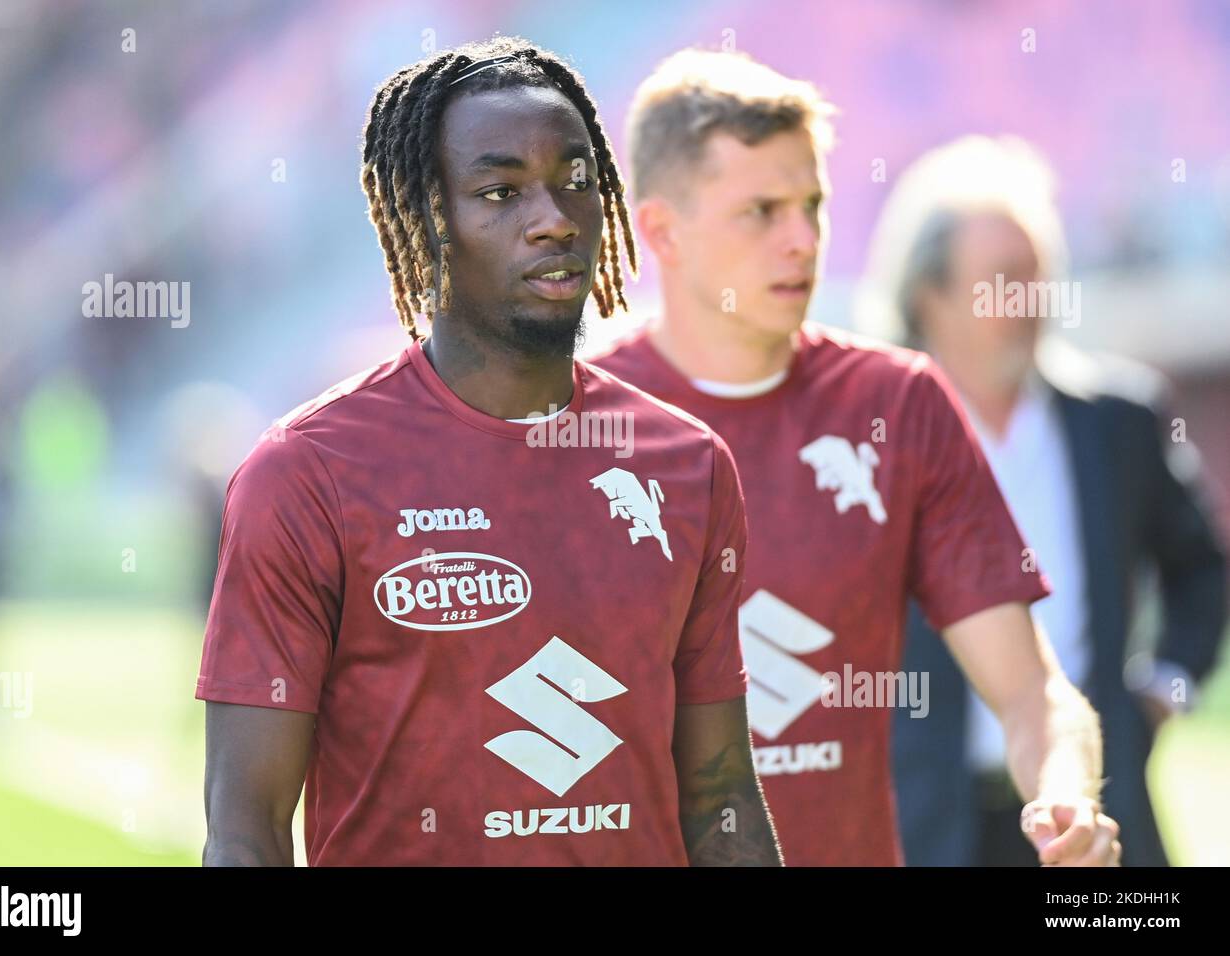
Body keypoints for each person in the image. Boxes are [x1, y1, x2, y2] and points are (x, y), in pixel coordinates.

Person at [196, 37, 781, 866]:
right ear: (428, 218)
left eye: (575, 180)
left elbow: (721, 798)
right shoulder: (305, 475)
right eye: (500, 191)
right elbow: (246, 831)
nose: (552, 218)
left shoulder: (686, 465)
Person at [591, 48, 1119, 865]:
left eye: (813, 204)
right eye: (761, 211)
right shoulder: (567, 418)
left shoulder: (898, 405)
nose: (803, 241)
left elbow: (1034, 694)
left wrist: (1065, 794)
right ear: (661, 230)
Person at [859, 134, 1229, 866]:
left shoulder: (1117, 419)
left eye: (1038, 277)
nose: (1028, 303)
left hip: (1096, 815)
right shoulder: (861, 435)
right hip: (924, 824)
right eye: (1002, 280)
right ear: (928, 294)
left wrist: (1164, 689)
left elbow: (1201, 567)